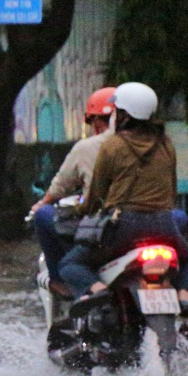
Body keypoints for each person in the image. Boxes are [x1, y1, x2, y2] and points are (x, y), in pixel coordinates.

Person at [57, 82, 188, 307]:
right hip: (164, 224)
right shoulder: (166, 144)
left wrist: (80, 210)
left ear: (123, 115)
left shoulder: (112, 146)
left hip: (124, 227)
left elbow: (96, 195)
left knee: (70, 264)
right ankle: (184, 297)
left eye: (115, 111)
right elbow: (172, 190)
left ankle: (99, 289)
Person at [28, 88, 117, 284]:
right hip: (154, 222)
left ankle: (62, 284)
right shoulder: (160, 145)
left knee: (68, 261)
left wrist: (42, 203)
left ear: (100, 121)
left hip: (109, 226)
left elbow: (60, 187)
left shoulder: (90, 147)